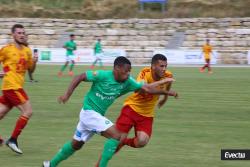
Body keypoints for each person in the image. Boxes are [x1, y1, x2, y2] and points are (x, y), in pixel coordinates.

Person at [42, 56, 174, 167]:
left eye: (130, 71)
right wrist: (67, 95)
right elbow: (80, 76)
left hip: (95, 116)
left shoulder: (128, 82)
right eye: (126, 71)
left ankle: (49, 164)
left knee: (76, 145)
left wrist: (165, 91)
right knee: (117, 135)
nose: (128, 74)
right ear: (117, 69)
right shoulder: (102, 75)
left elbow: (146, 88)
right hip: (89, 113)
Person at [95, 54, 179, 167]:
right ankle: (99, 165)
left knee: (142, 141)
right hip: (131, 109)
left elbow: (168, 86)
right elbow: (141, 90)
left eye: (165, 66)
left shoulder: (168, 75)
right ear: (153, 66)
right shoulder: (145, 73)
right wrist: (162, 88)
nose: (164, 69)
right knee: (117, 142)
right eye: (161, 66)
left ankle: (124, 141)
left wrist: (165, 98)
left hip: (147, 114)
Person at [0, 24, 38, 154]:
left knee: (1, 113)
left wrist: (34, 62)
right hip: (12, 86)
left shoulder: (27, 51)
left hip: (15, 87)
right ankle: (13, 140)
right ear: (13, 35)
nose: (22, 35)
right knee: (28, 111)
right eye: (19, 33)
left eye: (23, 33)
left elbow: (30, 70)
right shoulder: (6, 49)